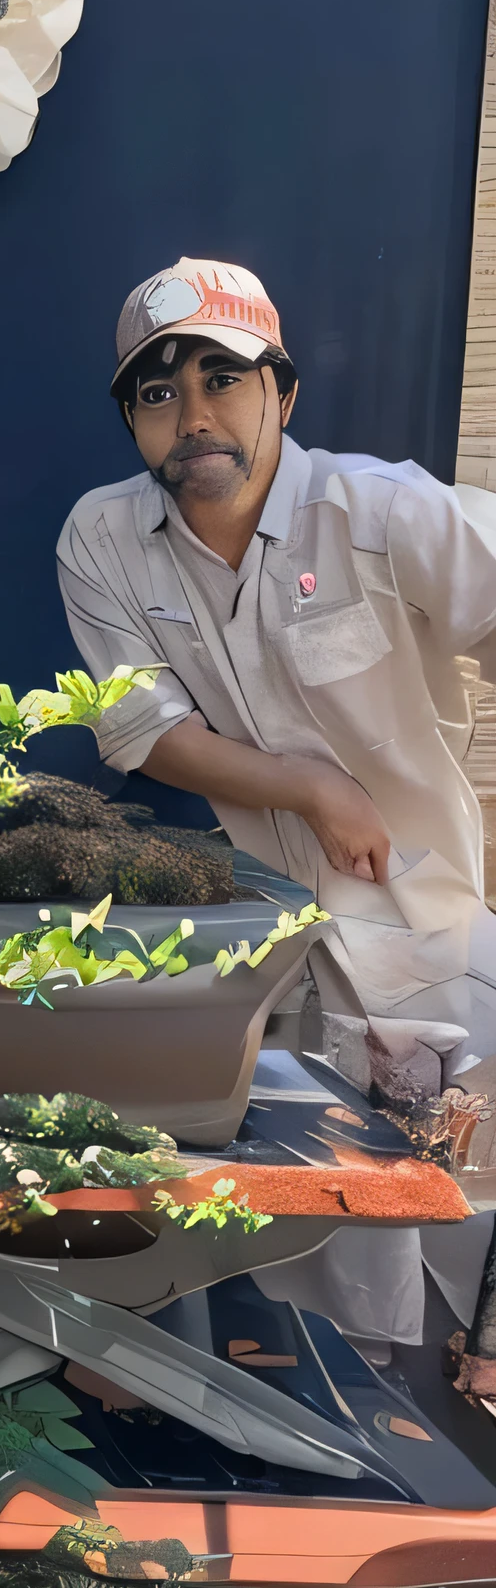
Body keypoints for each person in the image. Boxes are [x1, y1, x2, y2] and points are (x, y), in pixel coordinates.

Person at [57, 256, 496, 1067]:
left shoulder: (386, 511)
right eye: (158, 394)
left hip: (422, 929)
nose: (193, 416)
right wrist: (313, 789)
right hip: (254, 945)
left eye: (222, 378)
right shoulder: (100, 538)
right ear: (129, 419)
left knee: (447, 1170)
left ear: (282, 394)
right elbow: (143, 730)